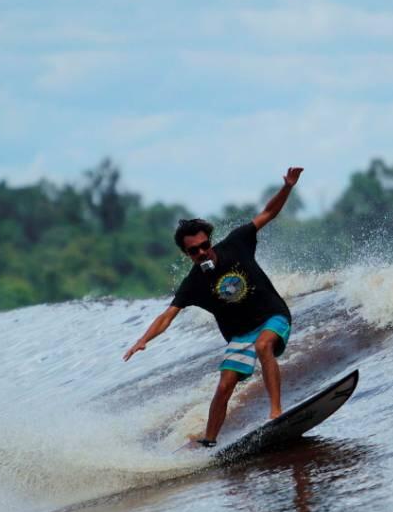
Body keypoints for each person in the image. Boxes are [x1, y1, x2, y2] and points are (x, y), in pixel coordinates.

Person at [123, 167, 304, 447]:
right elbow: (168, 315)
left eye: (204, 245)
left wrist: (288, 187)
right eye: (193, 251)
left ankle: (276, 413)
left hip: (273, 316)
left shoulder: (236, 243)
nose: (201, 252)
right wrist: (143, 339)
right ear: (186, 254)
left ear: (210, 240)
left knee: (264, 346)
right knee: (223, 386)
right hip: (240, 335)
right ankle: (209, 441)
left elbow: (267, 214)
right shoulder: (194, 283)